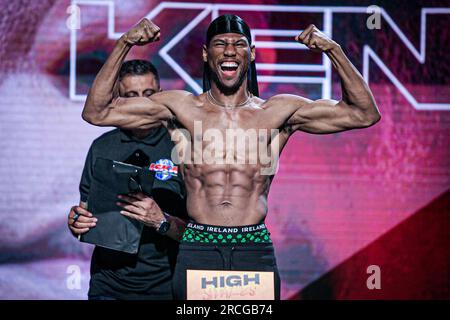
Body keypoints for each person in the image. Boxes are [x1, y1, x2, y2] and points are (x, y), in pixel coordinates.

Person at [81, 15, 381, 300]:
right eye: (221, 43)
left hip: (252, 247)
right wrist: (125, 43)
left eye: (238, 44)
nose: (229, 51)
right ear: (205, 54)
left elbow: (363, 113)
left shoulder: (278, 112)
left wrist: (334, 49)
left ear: (251, 54)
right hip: (198, 246)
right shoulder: (181, 108)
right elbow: (98, 111)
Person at [68, 59, 187, 300]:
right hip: (109, 285)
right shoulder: (102, 147)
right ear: (118, 99)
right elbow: (85, 213)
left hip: (166, 287)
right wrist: (77, 223)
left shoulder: (184, 145)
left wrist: (161, 221)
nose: (142, 103)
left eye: (149, 94)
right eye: (132, 95)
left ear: (162, 95)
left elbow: (199, 232)